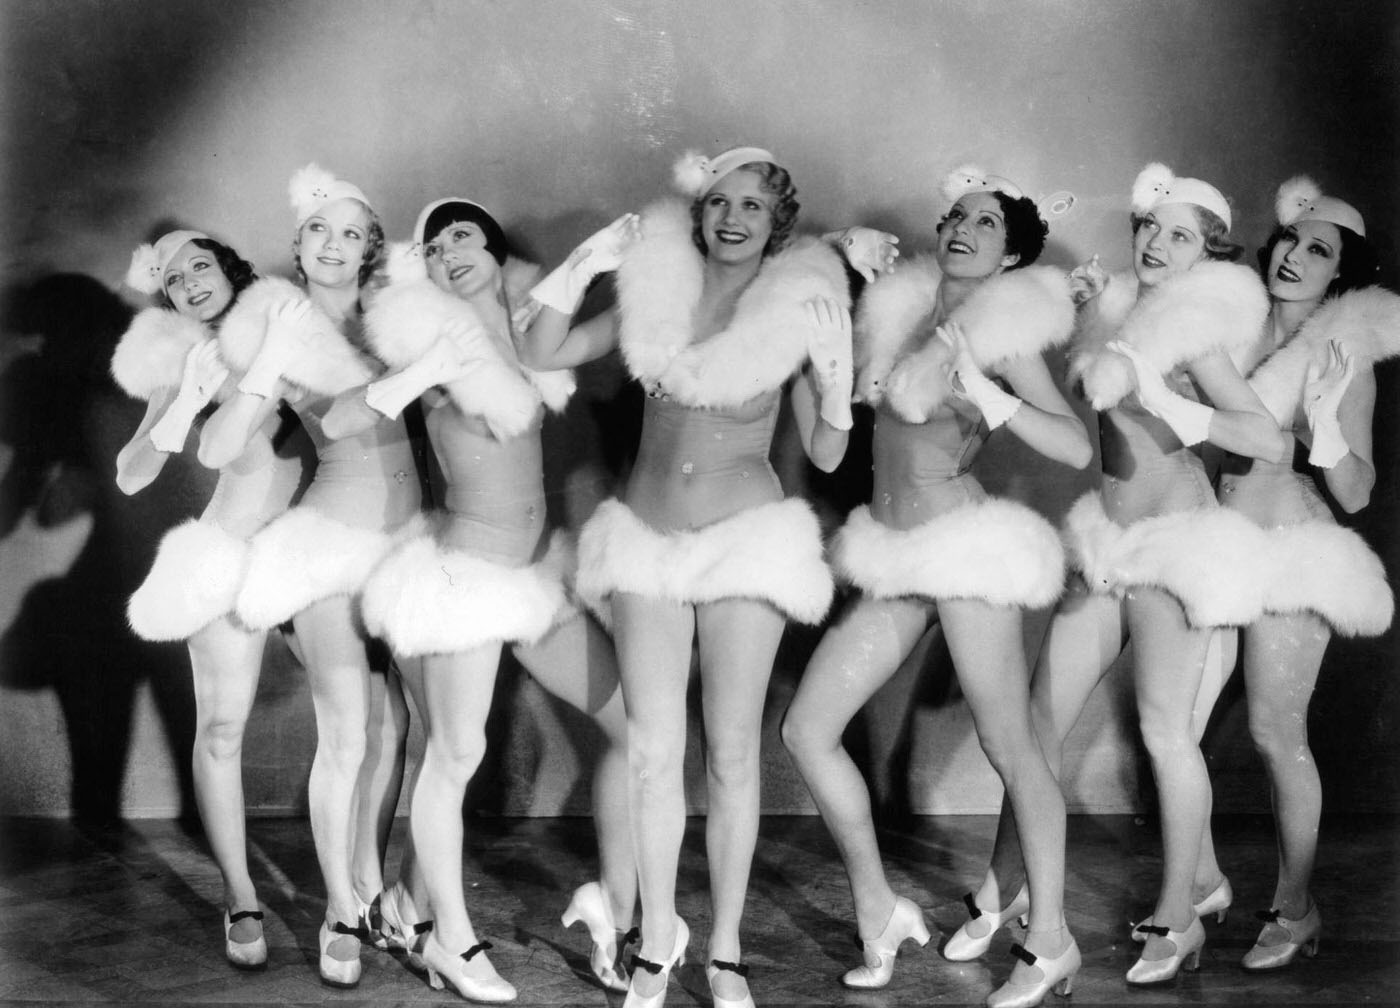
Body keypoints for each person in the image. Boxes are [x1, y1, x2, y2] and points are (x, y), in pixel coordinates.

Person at [517, 146, 896, 1008]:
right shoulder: (660, 291)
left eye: (752, 207)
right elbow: (541, 349)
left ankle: (723, 948)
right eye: (719, 202)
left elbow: (831, 451)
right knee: (653, 751)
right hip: (645, 539)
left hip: (745, 540)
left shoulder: (800, 306)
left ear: (777, 223)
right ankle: (658, 940)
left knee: (730, 753)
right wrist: (584, 265)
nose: (731, 218)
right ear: (700, 212)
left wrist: (836, 389)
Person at [954, 163, 1291, 987]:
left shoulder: (1197, 331)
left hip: (1176, 546)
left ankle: (1180, 914)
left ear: (1207, 254)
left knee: (1165, 732)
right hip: (1108, 541)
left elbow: (1269, 440)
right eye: (1150, 226)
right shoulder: (1116, 309)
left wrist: (1178, 409)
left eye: (1179, 235)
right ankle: (1011, 885)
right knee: (1036, 715)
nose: (1155, 242)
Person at [782, 166, 1092, 1008]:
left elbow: (1072, 447)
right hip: (893, 551)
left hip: (962, 548)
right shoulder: (901, 308)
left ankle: (1052, 941)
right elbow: (840, 420)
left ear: (1011, 255)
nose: (960, 228)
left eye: (984, 224)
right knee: (808, 730)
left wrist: (989, 393)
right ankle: (879, 910)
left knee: (1010, 746)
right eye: (956, 215)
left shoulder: (1005, 335)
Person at [355, 197, 640, 1002]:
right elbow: (430, 388)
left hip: (531, 574)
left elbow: (623, 328)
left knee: (635, 726)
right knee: (456, 757)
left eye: (463, 235)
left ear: (497, 246)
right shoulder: (429, 337)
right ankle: (452, 937)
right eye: (435, 246)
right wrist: (584, 264)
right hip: (465, 577)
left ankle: (613, 905)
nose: (448, 252)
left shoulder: (528, 331)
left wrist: (654, 265)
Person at [198, 164, 421, 988]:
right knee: (350, 730)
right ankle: (336, 910)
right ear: (299, 243)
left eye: (352, 232)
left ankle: (363, 881)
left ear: (370, 249)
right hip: (331, 544)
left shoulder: (394, 313)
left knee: (395, 724)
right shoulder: (281, 325)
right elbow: (321, 420)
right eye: (320, 230)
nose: (334, 245)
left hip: (408, 542)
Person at [1217, 177, 1394, 970]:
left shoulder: (1342, 354)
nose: (1293, 255)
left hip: (1293, 550)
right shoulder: (1235, 327)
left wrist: (1322, 427)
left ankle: (1295, 907)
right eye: (1290, 240)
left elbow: (1358, 491)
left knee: (1271, 731)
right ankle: (1197, 886)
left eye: (1317, 250)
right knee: (1172, 729)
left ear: (1342, 274)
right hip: (1215, 541)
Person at [116, 229, 304, 969]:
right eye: (172, 276)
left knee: (365, 728)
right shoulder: (189, 361)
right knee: (222, 733)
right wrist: (187, 396)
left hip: (319, 551)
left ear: (228, 269)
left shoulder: (295, 320)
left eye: (200, 263)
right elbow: (132, 474)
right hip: (232, 552)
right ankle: (241, 896)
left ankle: (360, 900)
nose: (189, 280)